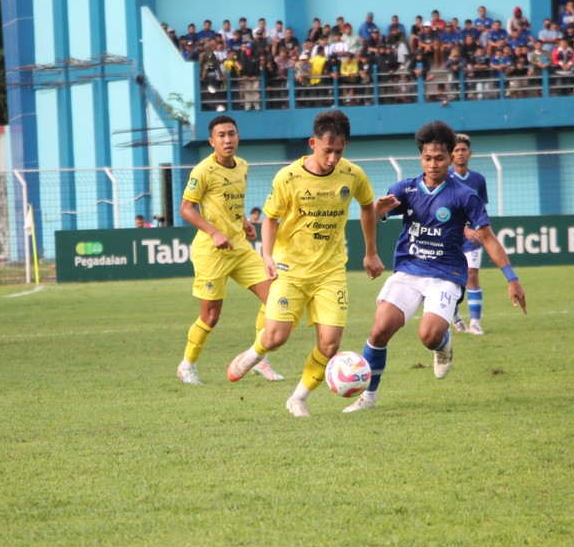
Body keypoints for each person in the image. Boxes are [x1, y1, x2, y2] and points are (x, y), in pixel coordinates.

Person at [343, 121, 526, 412]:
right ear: (420, 157)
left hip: (445, 274)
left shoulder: (465, 195)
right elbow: (373, 216)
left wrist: (511, 278)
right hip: (408, 270)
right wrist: (378, 210)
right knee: (379, 331)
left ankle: (443, 344)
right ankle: (369, 397)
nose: (433, 164)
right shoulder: (405, 189)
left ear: (452, 156)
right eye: (427, 158)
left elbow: (488, 238)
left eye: (439, 158)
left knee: (428, 335)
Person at [225, 110, 384, 417]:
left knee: (329, 345)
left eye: (339, 151)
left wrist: (370, 252)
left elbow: (367, 206)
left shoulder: (353, 175)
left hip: (330, 272)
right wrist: (267, 255)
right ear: (313, 143)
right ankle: (254, 354)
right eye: (327, 151)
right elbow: (270, 218)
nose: (333, 158)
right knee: (275, 338)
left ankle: (298, 398)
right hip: (290, 269)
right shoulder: (288, 177)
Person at [176, 116, 284, 386]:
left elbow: (231, 205)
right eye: (221, 135)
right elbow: (186, 209)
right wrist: (213, 232)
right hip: (211, 253)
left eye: (231, 134)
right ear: (212, 141)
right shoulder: (203, 171)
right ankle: (187, 365)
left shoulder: (243, 167)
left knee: (275, 300)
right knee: (211, 316)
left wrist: (245, 222)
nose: (227, 140)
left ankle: (260, 360)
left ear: (238, 137)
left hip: (240, 248)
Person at [448, 134, 489, 335]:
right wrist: (463, 227)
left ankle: (475, 323)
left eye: (463, 150)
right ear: (450, 155)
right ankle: (455, 317)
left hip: (473, 238)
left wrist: (480, 229)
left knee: (472, 275)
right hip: (450, 236)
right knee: (452, 279)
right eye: (456, 151)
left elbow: (480, 209)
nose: (460, 154)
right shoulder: (445, 178)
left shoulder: (478, 180)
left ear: (470, 154)